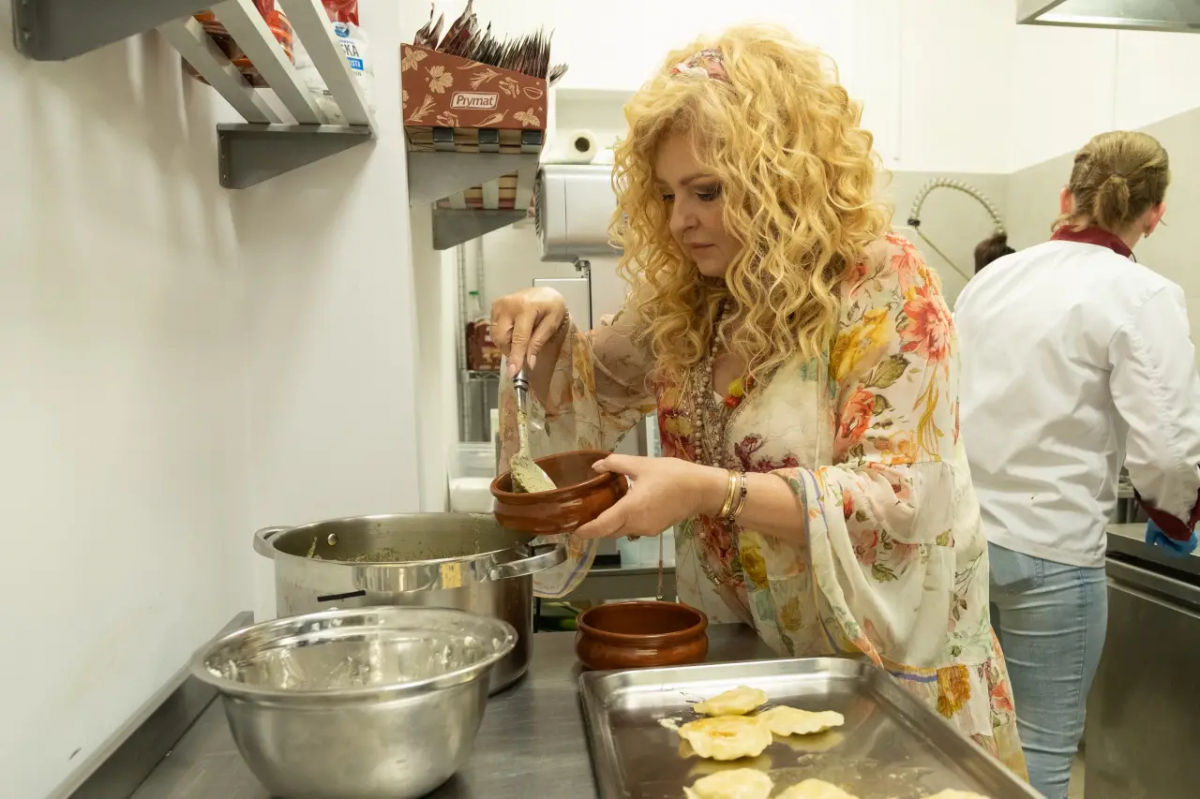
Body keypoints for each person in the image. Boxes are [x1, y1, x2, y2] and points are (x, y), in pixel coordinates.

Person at [490, 25, 1027, 775]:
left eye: (707, 191)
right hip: (759, 665)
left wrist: (709, 492)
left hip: (892, 669)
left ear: (783, 177)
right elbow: (586, 387)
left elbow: (905, 496)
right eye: (670, 194)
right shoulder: (693, 299)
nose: (680, 220)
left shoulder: (880, 283)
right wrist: (545, 323)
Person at [955, 130, 1200, 799]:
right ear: (1156, 212)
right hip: (1053, 557)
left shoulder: (991, 280)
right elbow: (1171, 448)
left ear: (1069, 195)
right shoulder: (1143, 294)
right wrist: (1176, 518)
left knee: (977, 739)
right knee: (1040, 750)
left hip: (968, 543)